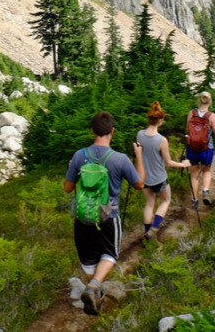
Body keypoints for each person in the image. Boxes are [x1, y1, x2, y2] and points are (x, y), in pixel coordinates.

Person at [64, 111, 145, 316]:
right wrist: (139, 158)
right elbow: (139, 184)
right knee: (109, 254)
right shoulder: (120, 159)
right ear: (112, 131)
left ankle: (95, 293)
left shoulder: (79, 155)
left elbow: (67, 188)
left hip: (82, 216)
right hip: (109, 216)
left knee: (89, 259)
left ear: (92, 131)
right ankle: (93, 288)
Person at [137, 101, 191, 242]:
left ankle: (147, 233)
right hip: (159, 178)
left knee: (149, 203)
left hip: (144, 177)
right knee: (166, 200)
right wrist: (183, 164)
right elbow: (168, 162)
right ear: (160, 120)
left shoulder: (140, 135)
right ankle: (154, 229)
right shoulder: (161, 140)